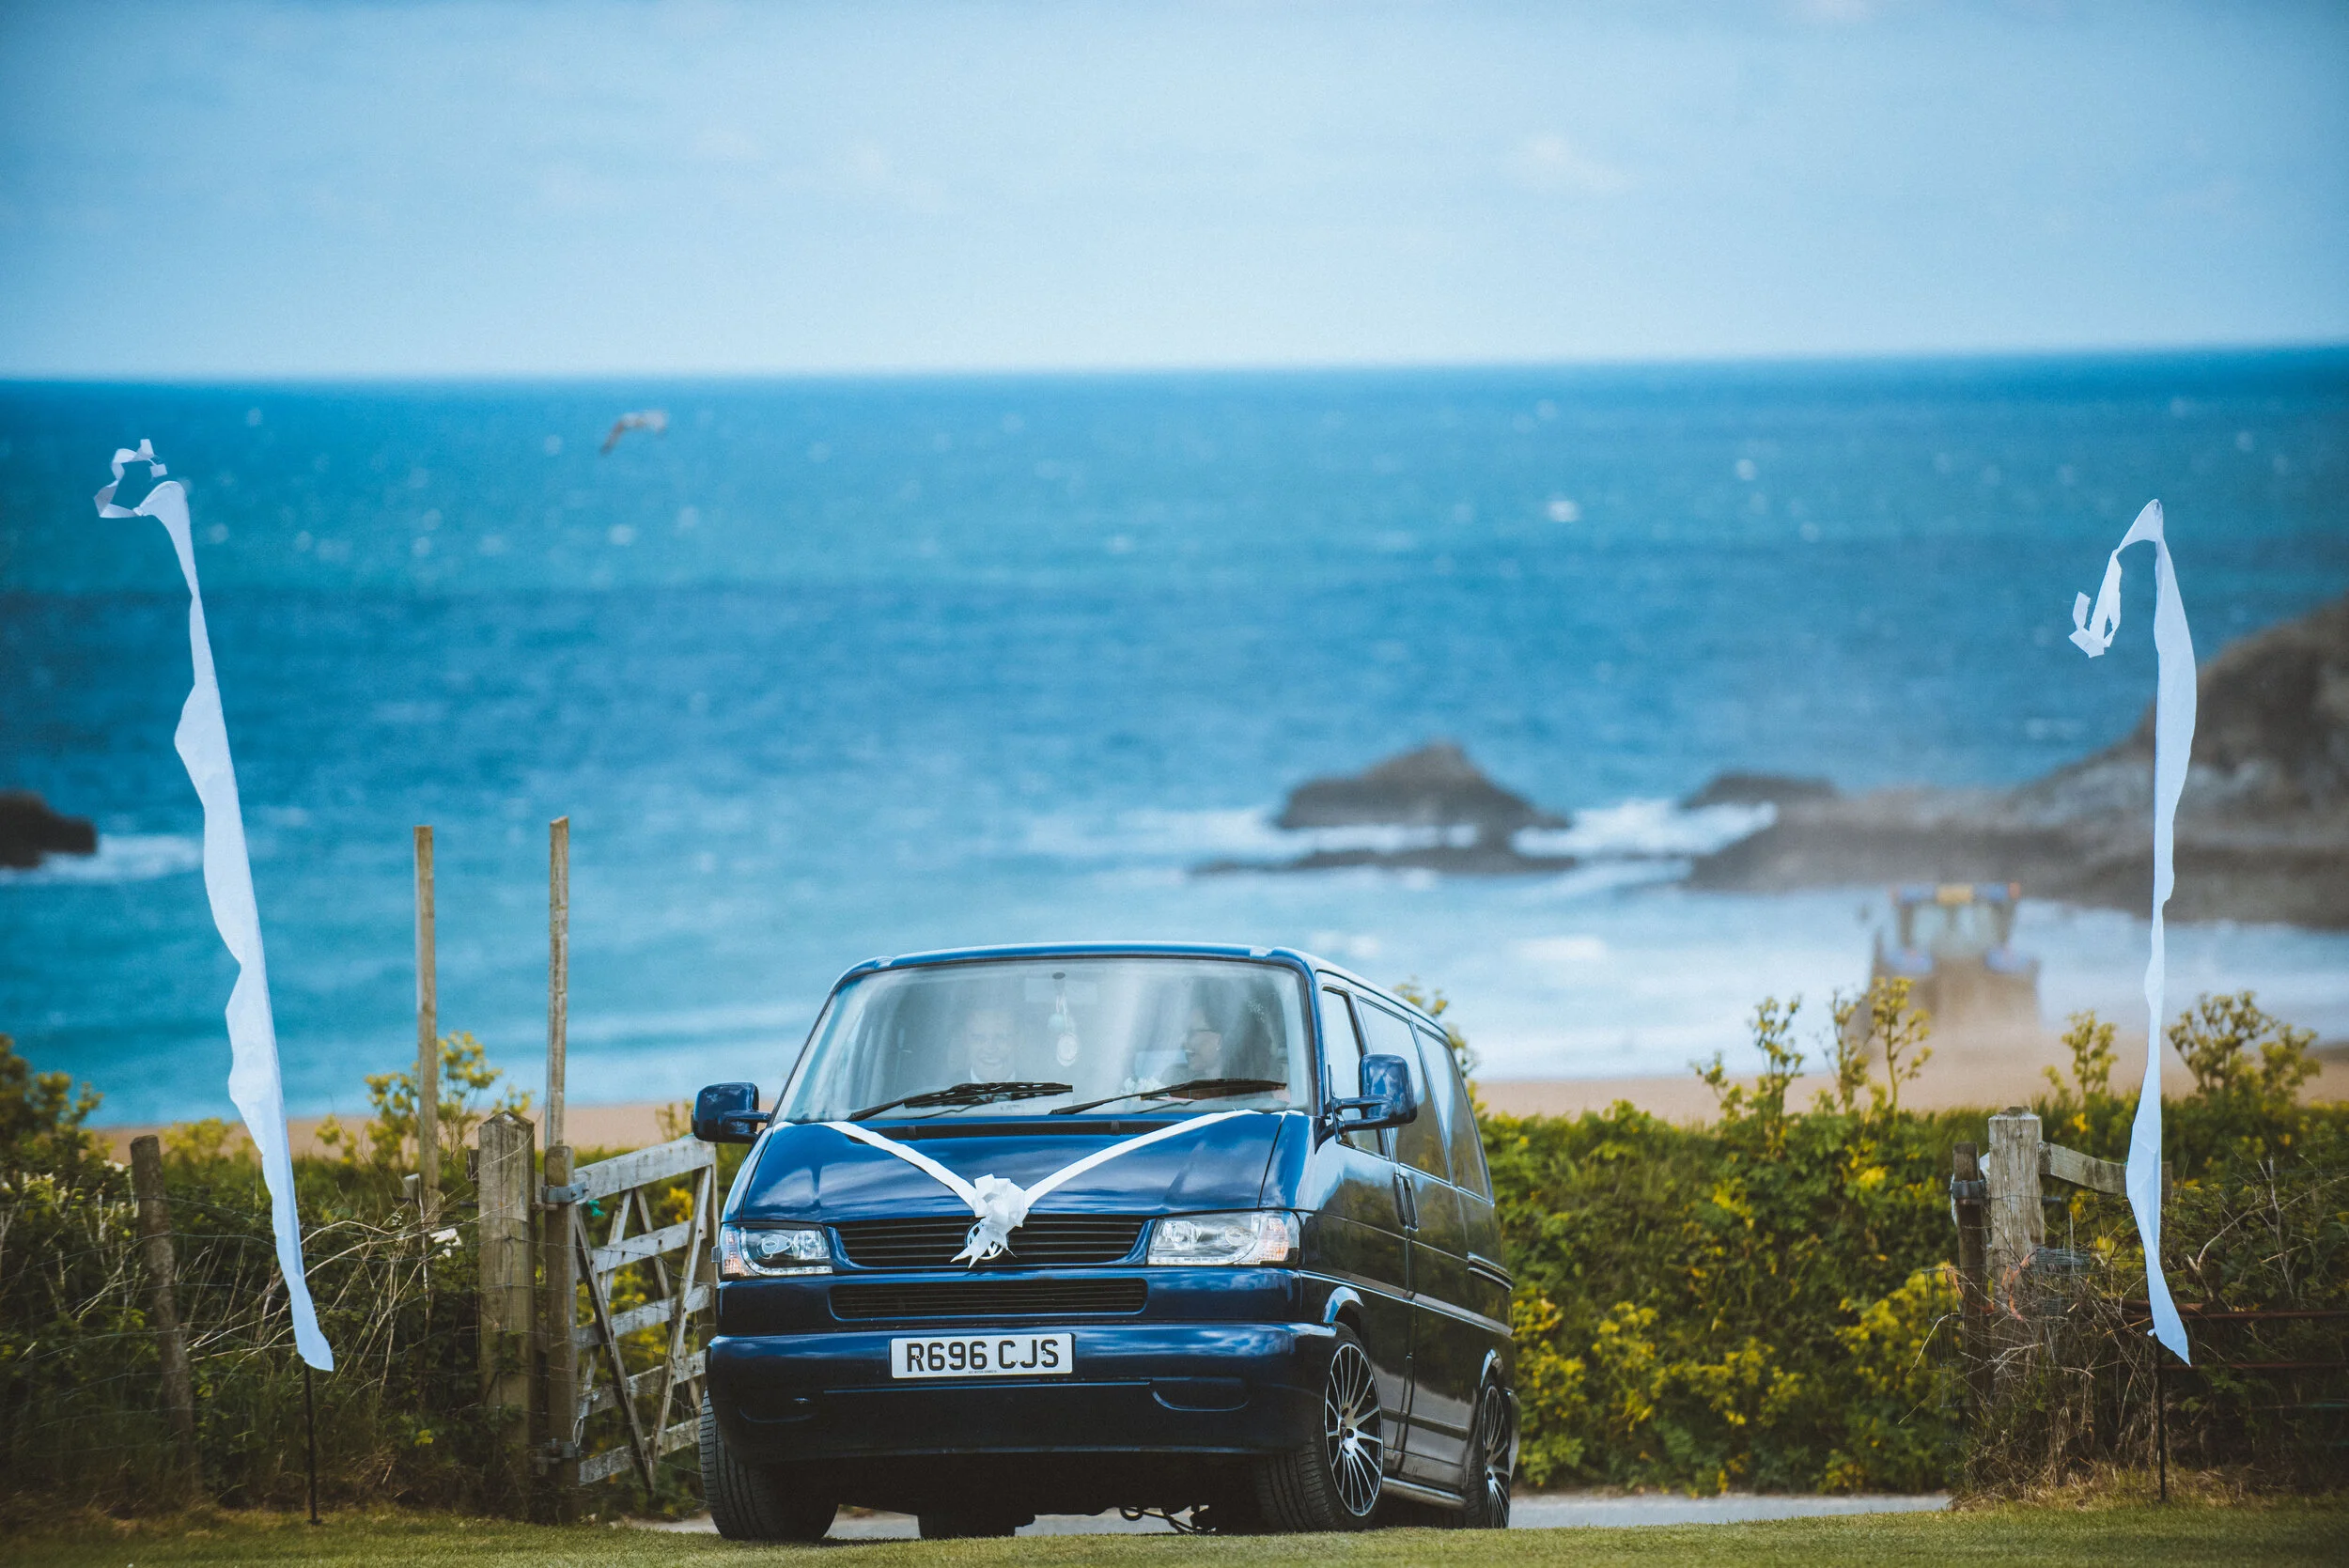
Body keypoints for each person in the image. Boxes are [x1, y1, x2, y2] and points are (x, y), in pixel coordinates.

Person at [963, 1006, 1018, 1082]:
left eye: (1001, 1038)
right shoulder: (943, 1086)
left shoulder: (1037, 1082)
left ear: (1018, 1040)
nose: (990, 1049)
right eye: (979, 1038)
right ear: (966, 1041)